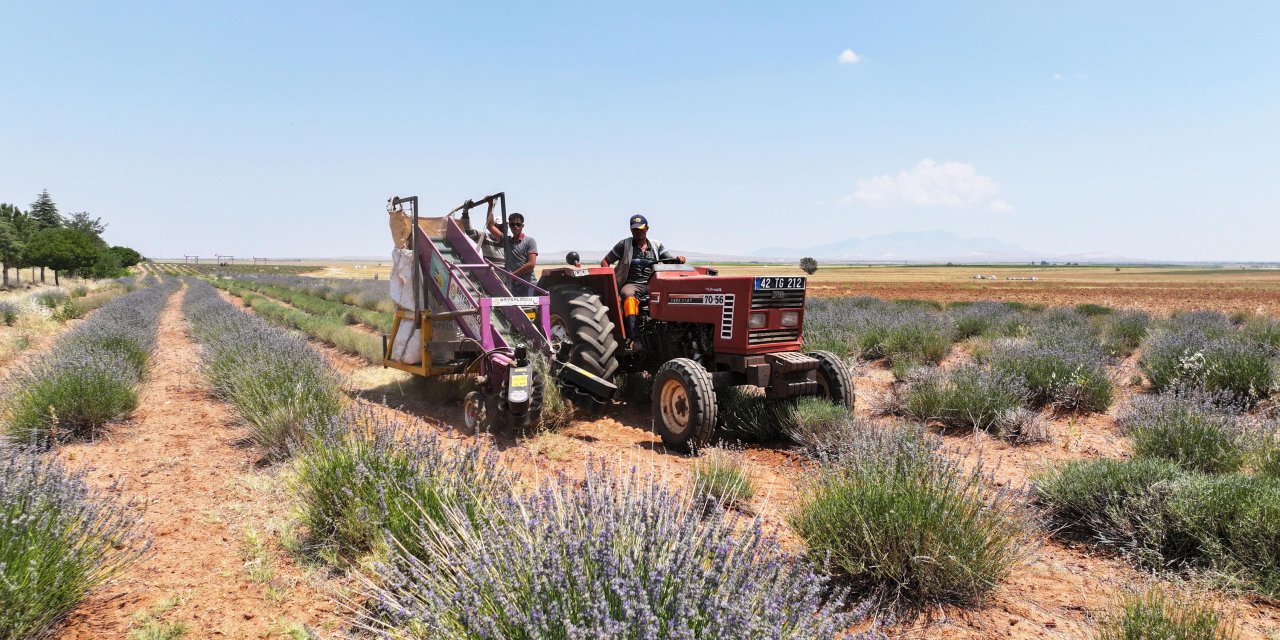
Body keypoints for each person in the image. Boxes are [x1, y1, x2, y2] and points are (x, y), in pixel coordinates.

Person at [600, 214, 685, 339]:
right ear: (631, 230)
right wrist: (611, 283)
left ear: (647, 228)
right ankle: (633, 335)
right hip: (632, 284)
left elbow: (669, 260)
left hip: (653, 283)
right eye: (634, 229)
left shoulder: (656, 245)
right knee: (629, 296)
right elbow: (605, 262)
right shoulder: (624, 245)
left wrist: (678, 259)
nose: (637, 231)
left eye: (640, 228)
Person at [487, 209, 538, 296]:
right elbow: (490, 226)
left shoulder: (529, 241)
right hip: (513, 285)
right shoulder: (507, 241)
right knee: (515, 309)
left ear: (522, 225)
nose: (515, 226)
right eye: (512, 224)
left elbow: (531, 264)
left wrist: (513, 275)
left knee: (528, 309)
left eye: (518, 224)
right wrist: (491, 205)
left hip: (528, 284)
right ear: (509, 226)